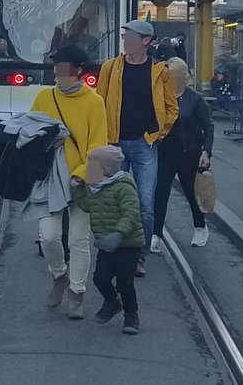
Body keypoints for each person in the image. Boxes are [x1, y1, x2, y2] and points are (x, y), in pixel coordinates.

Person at [96, 19, 178, 278]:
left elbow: (171, 107)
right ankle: (112, 250)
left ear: (146, 41)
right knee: (111, 201)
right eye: (125, 36)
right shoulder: (110, 69)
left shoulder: (159, 71)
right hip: (115, 143)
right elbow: (99, 102)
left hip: (144, 144)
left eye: (131, 36)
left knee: (145, 203)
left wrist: (157, 134)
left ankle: (138, 257)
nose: (126, 41)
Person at [31, 43, 108, 320]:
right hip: (50, 178)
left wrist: (81, 175)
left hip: (83, 180)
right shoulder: (43, 98)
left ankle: (77, 294)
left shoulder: (94, 102)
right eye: (55, 67)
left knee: (78, 239)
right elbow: (31, 136)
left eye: (63, 68)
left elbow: (99, 145)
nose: (57, 73)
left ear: (78, 71)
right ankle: (59, 275)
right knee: (48, 236)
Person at [151, 57, 213, 250]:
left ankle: (200, 226)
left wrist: (206, 152)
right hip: (165, 152)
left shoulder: (194, 99)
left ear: (185, 77)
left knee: (191, 193)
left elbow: (208, 126)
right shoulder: (160, 96)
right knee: (160, 193)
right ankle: (156, 233)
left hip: (189, 153)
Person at [84, 145, 145, 335]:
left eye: (93, 167)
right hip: (106, 245)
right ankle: (112, 302)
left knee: (125, 283)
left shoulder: (124, 187)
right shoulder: (95, 186)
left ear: (106, 169)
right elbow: (86, 206)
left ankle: (131, 314)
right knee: (99, 279)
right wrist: (78, 189)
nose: (89, 170)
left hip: (127, 245)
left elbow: (131, 213)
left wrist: (118, 233)